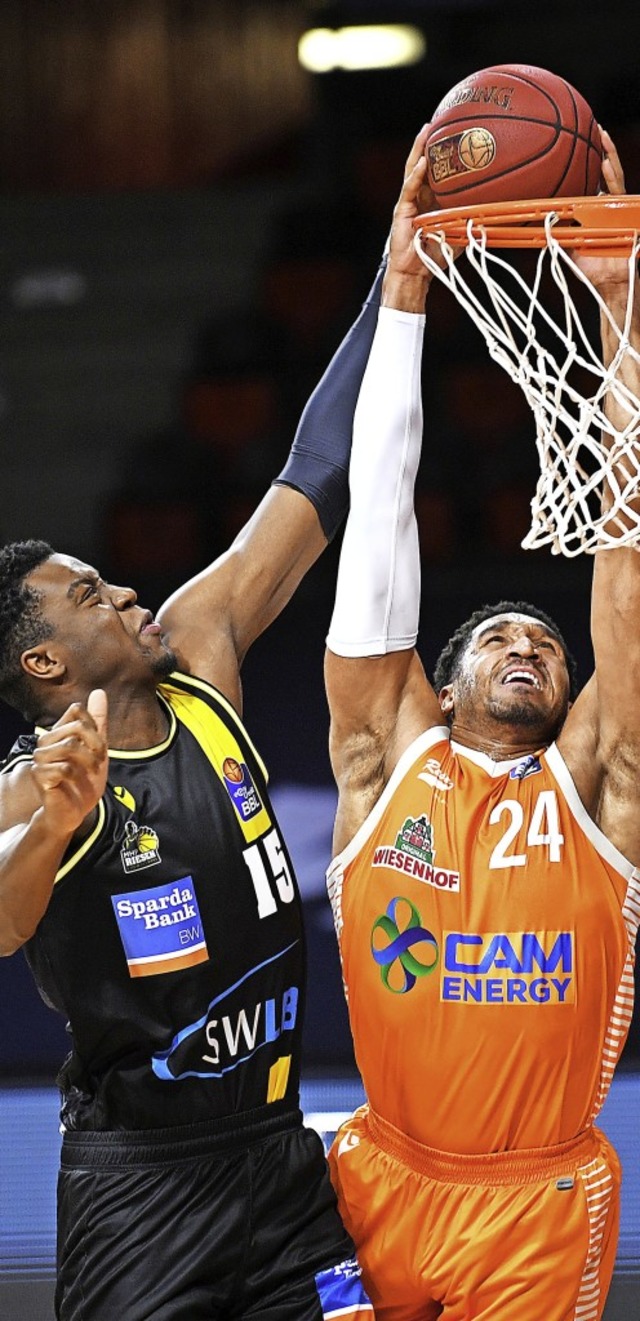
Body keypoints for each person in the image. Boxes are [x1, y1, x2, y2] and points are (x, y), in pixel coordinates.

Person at [0, 139, 433, 1319]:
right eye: (91, 596)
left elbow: (314, 473)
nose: (128, 594)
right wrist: (51, 826)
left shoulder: (200, 656)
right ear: (42, 661)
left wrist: (396, 285)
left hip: (282, 1160)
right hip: (143, 1192)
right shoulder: (35, 784)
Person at [323, 127, 640, 1321]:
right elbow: (376, 520)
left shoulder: (601, 788)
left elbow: (625, 580)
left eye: (546, 647)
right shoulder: (382, 759)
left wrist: (617, 316)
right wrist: (404, 293)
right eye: (497, 640)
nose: (526, 646)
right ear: (437, 689)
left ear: (569, 696)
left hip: (538, 1202)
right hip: (375, 1177)